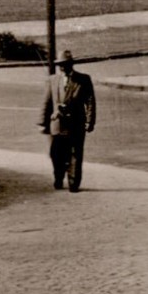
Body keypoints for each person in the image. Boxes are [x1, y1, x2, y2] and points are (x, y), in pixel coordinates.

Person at [41, 52, 97, 192]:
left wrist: (90, 121)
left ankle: (74, 183)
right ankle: (58, 177)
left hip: (76, 123)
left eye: (65, 64)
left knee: (75, 154)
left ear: (71, 64)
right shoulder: (52, 80)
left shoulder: (83, 79)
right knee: (56, 153)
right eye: (60, 65)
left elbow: (90, 101)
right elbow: (46, 102)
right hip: (57, 123)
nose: (62, 67)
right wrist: (42, 122)